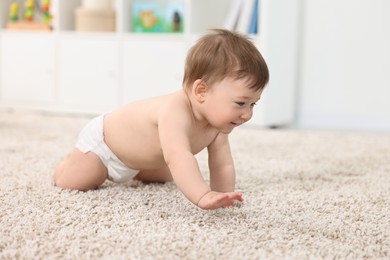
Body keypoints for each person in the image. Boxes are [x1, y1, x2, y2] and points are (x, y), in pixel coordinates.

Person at [54, 29, 269, 210]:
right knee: (76, 181)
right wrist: (203, 195)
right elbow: (178, 157)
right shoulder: (174, 111)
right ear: (201, 91)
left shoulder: (217, 126)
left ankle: (138, 170)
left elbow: (222, 164)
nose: (247, 114)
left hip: (138, 160)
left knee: (167, 176)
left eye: (253, 104)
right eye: (241, 103)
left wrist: (223, 196)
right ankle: (69, 163)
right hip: (105, 147)